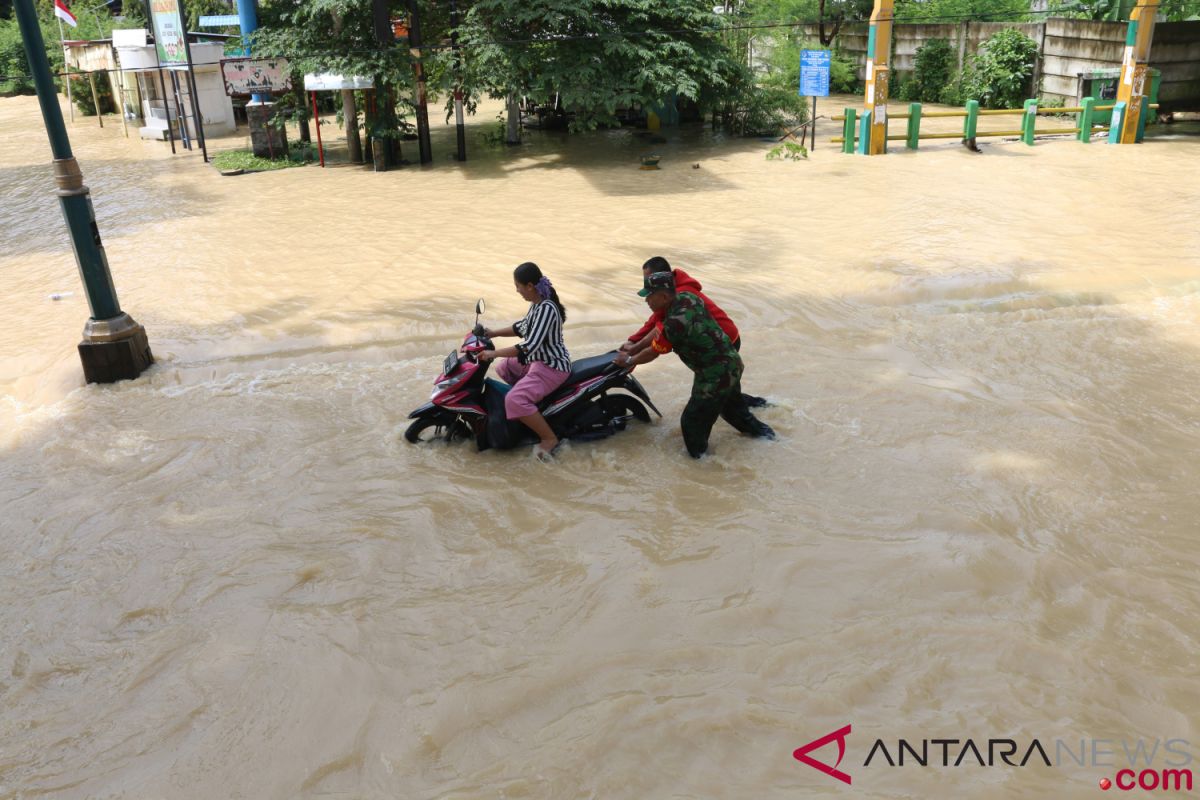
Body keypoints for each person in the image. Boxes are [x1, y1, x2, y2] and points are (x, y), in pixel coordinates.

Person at [616, 271, 775, 459]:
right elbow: (658, 329)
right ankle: (773, 441)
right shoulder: (686, 298)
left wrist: (629, 361)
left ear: (664, 296)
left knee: (691, 422)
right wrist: (634, 347)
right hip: (731, 364)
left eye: (649, 296)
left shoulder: (676, 323)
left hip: (714, 375)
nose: (646, 301)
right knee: (735, 412)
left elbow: (654, 351)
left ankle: (700, 464)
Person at [619, 256, 767, 408]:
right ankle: (760, 408)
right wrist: (634, 343)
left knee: (719, 394)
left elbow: (656, 327)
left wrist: (632, 354)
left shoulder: (679, 296)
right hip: (717, 339)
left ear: (661, 278)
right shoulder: (675, 294)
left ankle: (757, 416)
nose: (647, 286)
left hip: (723, 339)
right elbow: (657, 324)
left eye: (649, 280)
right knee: (726, 390)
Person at [480, 262, 571, 460]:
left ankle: (548, 438)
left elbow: (528, 346)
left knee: (513, 399)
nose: (517, 290)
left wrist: (493, 354)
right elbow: (521, 327)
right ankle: (530, 410)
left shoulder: (547, 308)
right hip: (536, 360)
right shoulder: (537, 304)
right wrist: (492, 333)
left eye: (518, 286)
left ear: (530, 286)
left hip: (551, 366)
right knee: (504, 368)